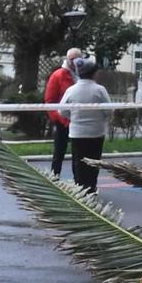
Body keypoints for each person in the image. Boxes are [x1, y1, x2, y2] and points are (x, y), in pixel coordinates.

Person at [61, 56, 111, 193]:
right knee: (94, 162)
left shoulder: (71, 90)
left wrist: (73, 118)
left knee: (78, 162)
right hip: (96, 132)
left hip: (77, 132)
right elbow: (109, 110)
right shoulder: (100, 90)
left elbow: (62, 110)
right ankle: (91, 188)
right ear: (94, 73)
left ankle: (79, 189)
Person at [44, 48, 83, 177]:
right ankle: (55, 178)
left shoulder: (83, 74)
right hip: (63, 121)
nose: (75, 62)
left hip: (79, 121)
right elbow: (50, 101)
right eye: (72, 59)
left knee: (78, 155)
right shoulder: (58, 75)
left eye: (78, 59)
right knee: (59, 152)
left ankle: (79, 183)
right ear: (67, 59)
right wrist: (60, 119)